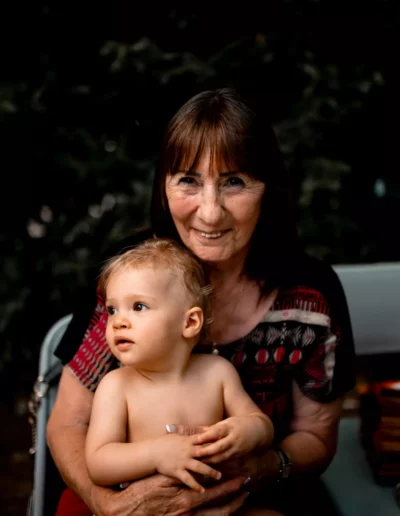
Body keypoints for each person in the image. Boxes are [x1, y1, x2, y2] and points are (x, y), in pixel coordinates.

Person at [47, 88, 355, 516]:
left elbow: (315, 439)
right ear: (164, 186)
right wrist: (109, 504)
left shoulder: (310, 294)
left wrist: (257, 467)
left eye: (234, 182)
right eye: (188, 180)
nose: (210, 213)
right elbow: (67, 424)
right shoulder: (127, 276)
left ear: (268, 189)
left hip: (254, 498)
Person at [85, 238, 274, 494]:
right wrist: (156, 454)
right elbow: (98, 463)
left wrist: (246, 431)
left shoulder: (217, 373)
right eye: (112, 310)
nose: (118, 321)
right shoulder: (117, 386)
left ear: (190, 323)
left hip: (216, 502)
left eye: (138, 306)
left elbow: (262, 424)